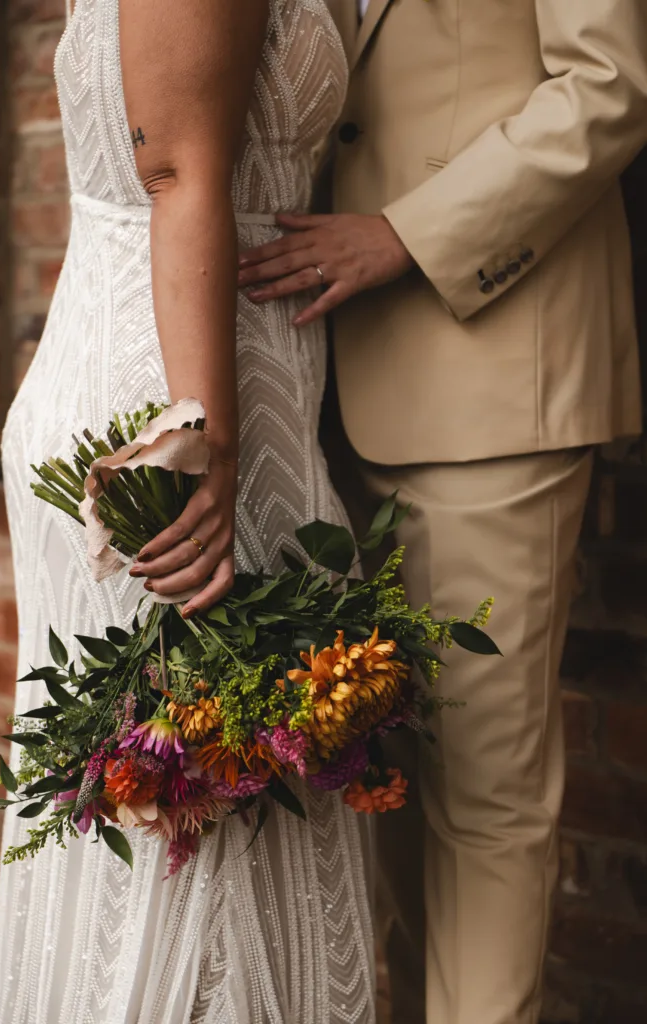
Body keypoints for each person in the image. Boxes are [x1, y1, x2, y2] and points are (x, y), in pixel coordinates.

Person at [238, 1, 647, 1022]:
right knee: (384, 776)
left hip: (494, 375)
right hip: (321, 385)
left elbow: (609, 85)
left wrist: (404, 235)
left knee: (485, 795)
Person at [0, 2, 377, 1021]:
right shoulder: (195, 438)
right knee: (179, 830)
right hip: (163, 412)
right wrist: (203, 441)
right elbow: (178, 176)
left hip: (242, 384)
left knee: (246, 806)